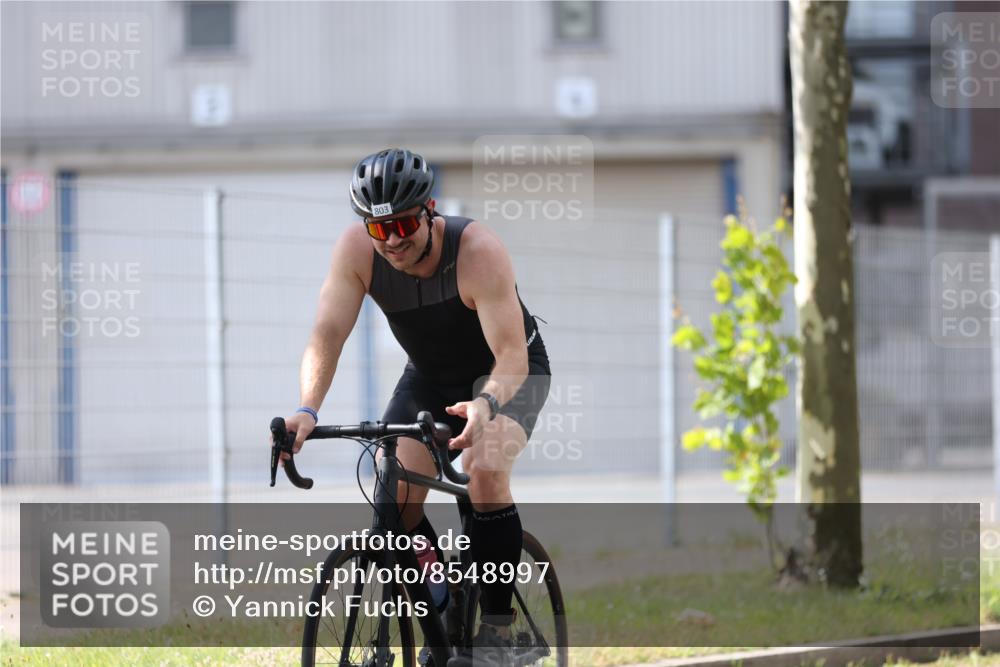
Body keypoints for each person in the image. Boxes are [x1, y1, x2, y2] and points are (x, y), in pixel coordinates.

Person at [280, 148, 551, 666]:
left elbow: (512, 354)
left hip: (507, 373)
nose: (395, 240)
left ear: (429, 208)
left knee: (485, 469)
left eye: (404, 224)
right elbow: (328, 332)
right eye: (380, 231)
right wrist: (306, 411)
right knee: (393, 495)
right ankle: (443, 618)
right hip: (429, 377)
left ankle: (496, 630)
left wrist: (486, 403)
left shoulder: (477, 250)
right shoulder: (357, 251)